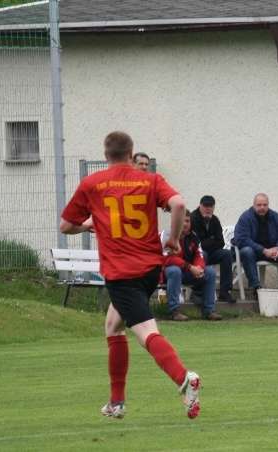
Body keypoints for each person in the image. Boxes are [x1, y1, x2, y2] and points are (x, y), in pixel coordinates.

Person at [59, 131, 202, 419]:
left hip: (121, 272)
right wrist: (174, 239)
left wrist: (88, 224)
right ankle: (116, 402)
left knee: (146, 332)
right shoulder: (150, 180)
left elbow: (66, 225)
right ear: (130, 153)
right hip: (149, 269)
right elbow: (178, 204)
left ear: (105, 154)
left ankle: (183, 378)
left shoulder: (92, 184)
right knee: (113, 326)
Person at [234, 193, 278, 300]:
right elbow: (242, 239)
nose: (262, 208)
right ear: (254, 205)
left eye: (265, 205)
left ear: (268, 205)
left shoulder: (276, 217)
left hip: (273, 252)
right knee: (246, 251)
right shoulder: (245, 218)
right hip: (254, 252)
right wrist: (263, 250)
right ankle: (256, 288)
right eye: (259, 205)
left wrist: (277, 248)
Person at [163, 210, 221, 321]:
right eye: (182, 221)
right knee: (174, 270)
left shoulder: (193, 236)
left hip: (188, 271)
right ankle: (174, 311)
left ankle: (209, 311)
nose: (185, 224)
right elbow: (168, 258)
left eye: (187, 221)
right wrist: (190, 267)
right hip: (168, 272)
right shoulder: (167, 235)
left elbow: (199, 254)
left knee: (210, 272)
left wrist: (199, 268)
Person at [190, 195, 235, 303]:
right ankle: (197, 292)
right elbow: (196, 244)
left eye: (210, 206)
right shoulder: (192, 218)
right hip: (194, 254)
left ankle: (224, 292)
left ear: (214, 207)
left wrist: (206, 242)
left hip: (211, 253)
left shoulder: (214, 220)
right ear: (200, 206)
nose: (208, 209)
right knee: (203, 254)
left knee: (227, 254)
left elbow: (221, 242)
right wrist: (212, 239)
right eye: (205, 206)